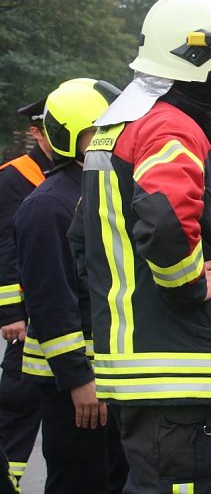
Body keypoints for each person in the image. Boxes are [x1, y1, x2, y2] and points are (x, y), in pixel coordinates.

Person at [70, 0, 211, 494]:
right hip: (183, 372)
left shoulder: (117, 127)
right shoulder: (171, 127)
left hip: (147, 366)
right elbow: (165, 219)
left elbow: (82, 241)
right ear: (195, 59)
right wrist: (188, 284)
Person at [13, 78, 127, 493]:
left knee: (116, 480)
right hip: (76, 386)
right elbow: (51, 304)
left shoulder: (105, 191)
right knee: (80, 482)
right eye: (103, 131)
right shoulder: (48, 205)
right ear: (74, 137)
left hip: (116, 376)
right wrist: (79, 378)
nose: (116, 139)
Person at [0, 98, 53, 488]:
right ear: (36, 132)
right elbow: (5, 247)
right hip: (28, 312)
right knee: (19, 404)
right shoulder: (14, 177)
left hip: (64, 304)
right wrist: (11, 313)